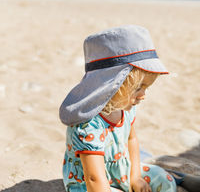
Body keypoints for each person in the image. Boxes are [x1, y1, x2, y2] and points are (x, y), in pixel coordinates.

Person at [59, 25, 177, 192]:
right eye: (138, 88)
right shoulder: (89, 125)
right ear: (111, 84)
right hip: (89, 183)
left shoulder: (125, 108)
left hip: (121, 171)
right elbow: (94, 180)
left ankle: (179, 180)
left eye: (146, 88)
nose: (143, 95)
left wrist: (135, 177)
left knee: (165, 179)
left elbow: (131, 140)